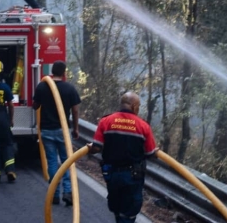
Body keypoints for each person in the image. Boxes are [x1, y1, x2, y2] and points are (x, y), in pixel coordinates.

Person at [89, 92, 158, 223]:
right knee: (129, 212)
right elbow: (150, 154)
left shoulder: (106, 121)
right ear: (134, 106)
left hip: (111, 174)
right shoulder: (143, 126)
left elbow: (96, 148)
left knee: (116, 206)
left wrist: (89, 148)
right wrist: (155, 151)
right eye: (138, 106)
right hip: (133, 175)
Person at [32, 60, 81, 206]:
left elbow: (35, 106)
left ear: (52, 72)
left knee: (52, 161)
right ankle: (67, 192)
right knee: (66, 162)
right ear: (64, 73)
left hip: (46, 130)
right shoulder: (69, 88)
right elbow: (76, 110)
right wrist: (76, 129)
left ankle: (54, 193)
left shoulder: (42, 86)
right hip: (63, 131)